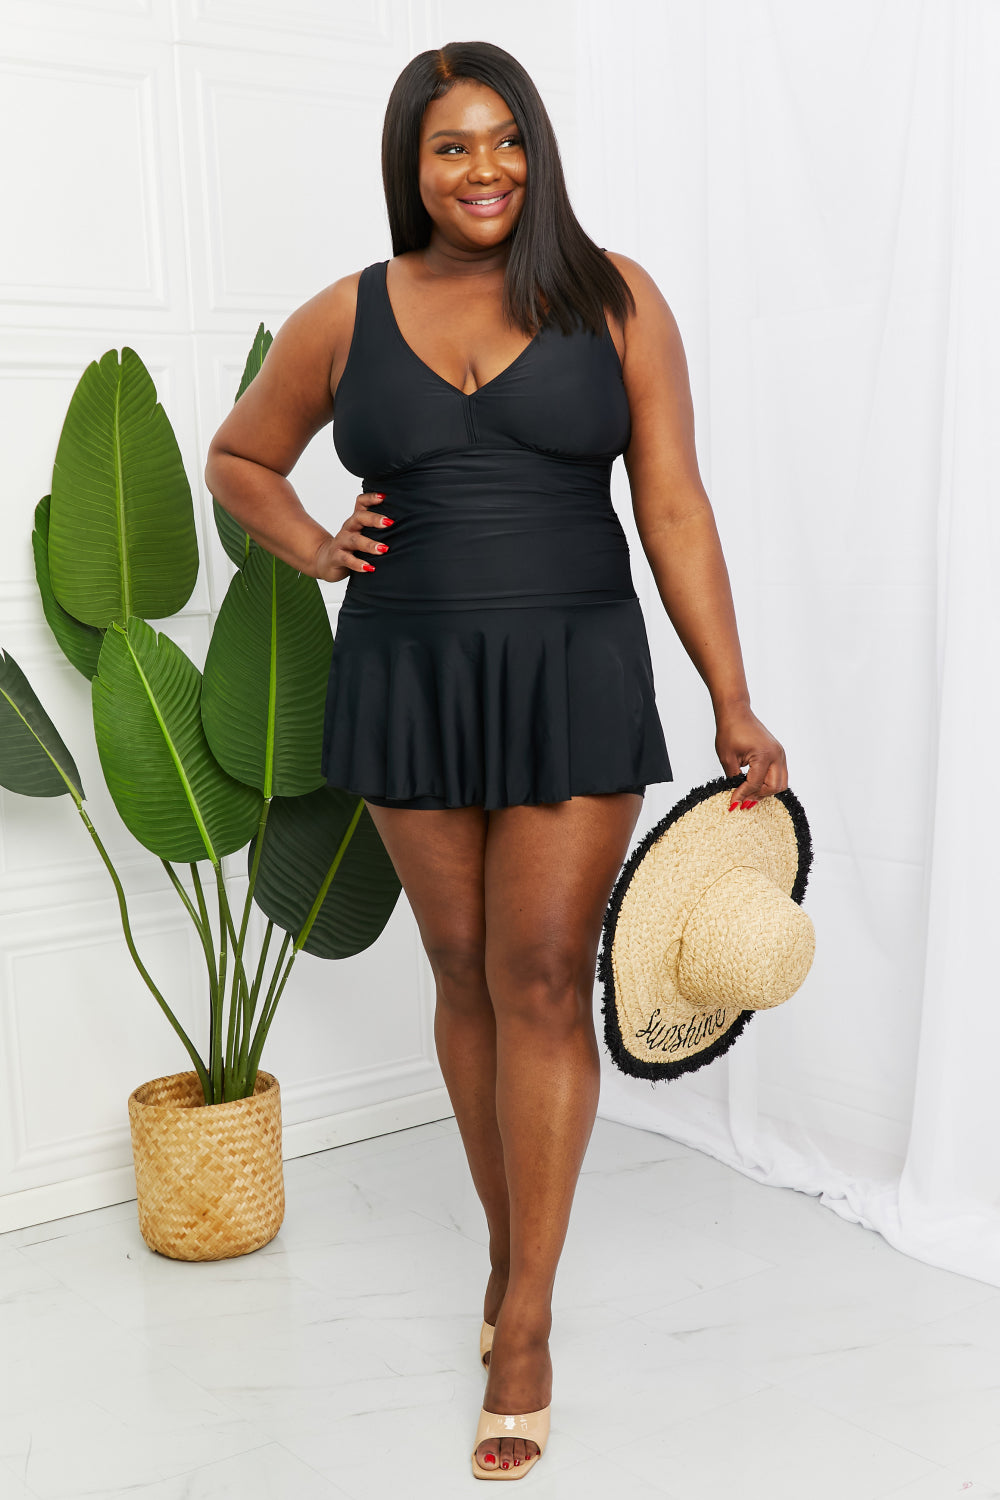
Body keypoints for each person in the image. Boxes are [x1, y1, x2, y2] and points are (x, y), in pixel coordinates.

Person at [206, 39, 788, 1481]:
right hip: (406, 673)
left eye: (506, 138)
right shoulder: (347, 313)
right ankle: (507, 1250)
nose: (485, 169)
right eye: (452, 145)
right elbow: (239, 457)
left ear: (538, 149)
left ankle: (523, 1319)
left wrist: (732, 695)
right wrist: (316, 545)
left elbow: (675, 506)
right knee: (462, 969)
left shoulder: (613, 296)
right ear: (412, 166)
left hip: (571, 672)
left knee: (539, 973)